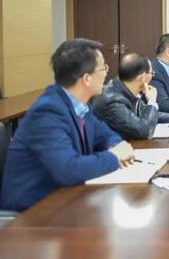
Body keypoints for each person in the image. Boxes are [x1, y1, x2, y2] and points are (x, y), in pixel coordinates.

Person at [0, 39, 134, 212]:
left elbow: (105, 134)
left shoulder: (80, 105)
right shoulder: (48, 112)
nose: (106, 74)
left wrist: (117, 144)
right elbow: (68, 170)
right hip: (31, 214)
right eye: (103, 68)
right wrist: (114, 157)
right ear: (86, 79)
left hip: (64, 201)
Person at [92, 53, 169, 140]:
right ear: (143, 77)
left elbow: (145, 112)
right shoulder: (113, 100)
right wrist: (152, 101)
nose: (152, 76)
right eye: (152, 73)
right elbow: (144, 131)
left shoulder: (125, 88)